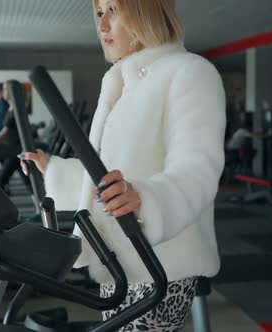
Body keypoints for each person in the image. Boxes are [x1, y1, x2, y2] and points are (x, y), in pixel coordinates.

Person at [21, 1, 225, 330]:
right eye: (99, 13)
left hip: (161, 262)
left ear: (145, 10)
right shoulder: (119, 82)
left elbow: (199, 166)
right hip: (118, 261)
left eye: (113, 10)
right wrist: (54, 170)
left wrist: (148, 199)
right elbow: (109, 174)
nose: (102, 26)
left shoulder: (190, 71)